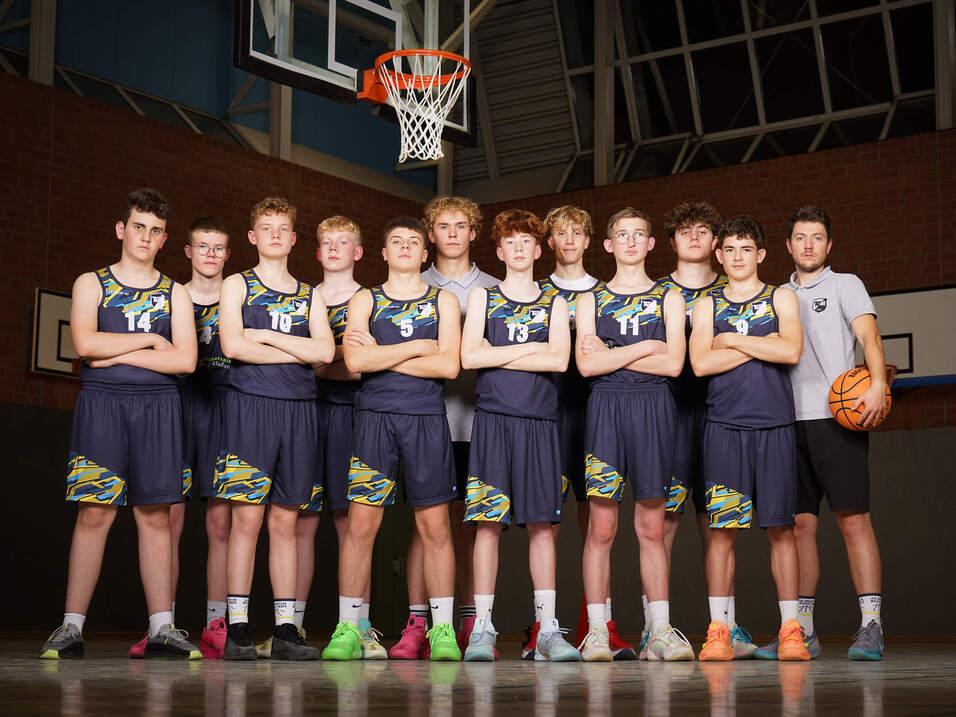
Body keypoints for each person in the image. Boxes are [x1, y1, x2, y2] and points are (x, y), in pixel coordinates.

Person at [40, 188, 201, 659]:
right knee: (94, 512)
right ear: (121, 229)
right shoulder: (91, 283)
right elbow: (85, 345)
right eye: (138, 227)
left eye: (155, 231)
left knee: (156, 516)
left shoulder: (176, 293)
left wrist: (123, 350)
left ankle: (162, 627)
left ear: (164, 238)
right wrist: (151, 342)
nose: (145, 237)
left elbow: (186, 361)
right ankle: (70, 627)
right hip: (103, 405)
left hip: (159, 408)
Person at [322, 216, 462, 662]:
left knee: (435, 528)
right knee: (361, 526)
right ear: (383, 253)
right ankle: (348, 627)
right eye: (396, 241)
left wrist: (380, 355)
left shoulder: (443, 301)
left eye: (413, 242)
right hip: (374, 420)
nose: (404, 247)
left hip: (425, 420)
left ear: (425, 253)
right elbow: (355, 362)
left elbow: (449, 366)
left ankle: (442, 630)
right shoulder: (366, 298)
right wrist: (419, 347)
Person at [217, 197, 335, 661]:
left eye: (282, 229)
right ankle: (238, 627)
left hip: (299, 411)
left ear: (293, 238)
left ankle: (286, 628)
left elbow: (325, 352)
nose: (274, 235)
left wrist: (265, 336)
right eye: (266, 228)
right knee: (246, 519)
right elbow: (233, 346)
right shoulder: (237, 284)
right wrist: (296, 350)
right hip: (250, 408)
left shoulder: (310, 294)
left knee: (286, 520)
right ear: (253, 236)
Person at [460, 209, 580, 662]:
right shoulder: (483, 297)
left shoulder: (555, 303)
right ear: (499, 251)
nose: (518, 248)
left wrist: (500, 351)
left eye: (526, 241)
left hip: (539, 423)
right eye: (510, 242)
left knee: (542, 528)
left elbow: (558, 360)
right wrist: (533, 347)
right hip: (493, 421)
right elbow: (470, 357)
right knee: (487, 526)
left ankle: (547, 630)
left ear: (537, 249)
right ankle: (482, 629)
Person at [689, 214, 809, 662]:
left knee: (782, 530)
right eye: (730, 250)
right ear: (719, 256)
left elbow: (790, 350)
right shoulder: (707, 305)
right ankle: (719, 629)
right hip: (724, 428)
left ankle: (791, 630)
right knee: (721, 533)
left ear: (760, 254)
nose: (738, 257)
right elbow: (700, 364)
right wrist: (761, 343)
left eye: (746, 249)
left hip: (775, 426)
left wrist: (730, 340)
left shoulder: (781, 296)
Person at [575, 207, 693, 662]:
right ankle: (597, 631)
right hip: (605, 407)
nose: (629, 241)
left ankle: (659, 630)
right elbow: (587, 366)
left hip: (654, 408)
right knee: (601, 526)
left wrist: (613, 352)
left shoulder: (670, 298)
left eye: (638, 234)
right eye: (621, 235)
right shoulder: (591, 299)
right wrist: (646, 346)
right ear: (608, 245)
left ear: (650, 243)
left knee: (652, 525)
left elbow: (674, 364)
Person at [780, 205, 887, 661]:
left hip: (837, 419)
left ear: (829, 245)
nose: (809, 245)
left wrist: (877, 383)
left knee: (853, 521)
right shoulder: (777, 295)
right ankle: (802, 630)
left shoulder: (846, 284)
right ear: (788, 246)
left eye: (817, 237)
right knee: (799, 527)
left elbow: (869, 337)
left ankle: (871, 625)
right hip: (788, 423)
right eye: (801, 237)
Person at [394, 197, 498, 659]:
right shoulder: (410, 284)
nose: (452, 233)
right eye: (443, 226)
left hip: (481, 423)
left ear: (473, 232)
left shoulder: (497, 289)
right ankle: (418, 623)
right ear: (430, 235)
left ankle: (472, 622)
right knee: (427, 526)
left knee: (475, 526)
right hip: (426, 422)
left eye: (461, 225)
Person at [656, 202, 757, 659]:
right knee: (664, 523)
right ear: (672, 241)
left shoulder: (732, 290)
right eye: (685, 230)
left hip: (722, 416)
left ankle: (726, 626)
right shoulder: (657, 293)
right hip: (670, 416)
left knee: (720, 524)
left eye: (702, 230)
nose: (694, 236)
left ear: (717, 243)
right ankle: (657, 626)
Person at [180, 218, 233, 659]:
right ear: (188, 251)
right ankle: (162, 623)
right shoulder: (172, 297)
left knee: (220, 524)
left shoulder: (239, 300)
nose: (210, 254)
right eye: (203, 246)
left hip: (224, 408)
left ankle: (217, 623)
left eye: (218, 248)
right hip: (176, 407)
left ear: (228, 255)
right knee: (167, 521)